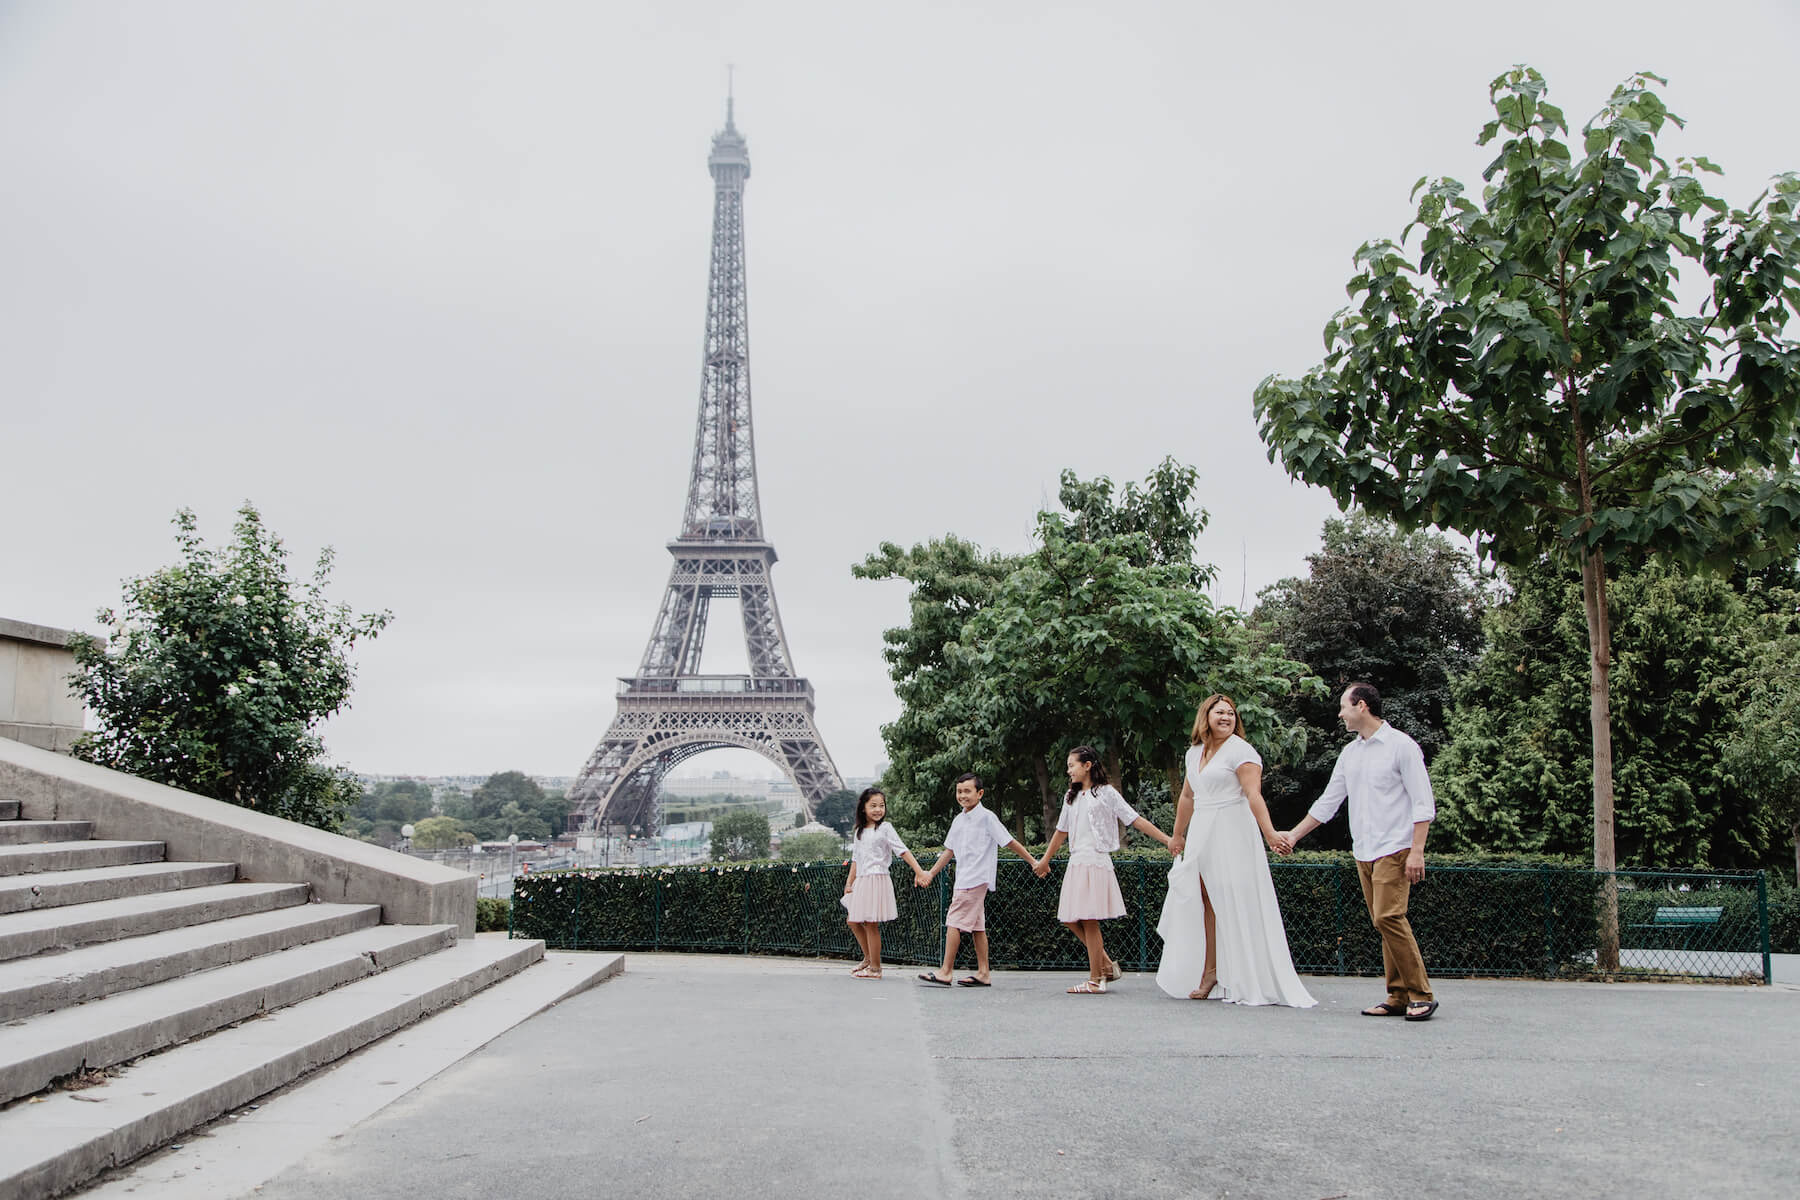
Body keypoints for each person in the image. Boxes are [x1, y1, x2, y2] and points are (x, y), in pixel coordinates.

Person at [1283, 682, 1439, 1021]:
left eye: (1344, 707)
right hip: (1364, 851)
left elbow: (1423, 803)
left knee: (1388, 917)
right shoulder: (1350, 754)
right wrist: (1293, 835)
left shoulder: (1402, 746)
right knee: (1383, 923)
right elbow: (1329, 802)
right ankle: (1397, 995)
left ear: (1362, 706)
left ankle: (1421, 994)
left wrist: (1417, 851)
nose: (1340, 714)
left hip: (1395, 847)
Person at [1156, 694, 1315, 1008]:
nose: (1226, 717)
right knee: (1204, 897)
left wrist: (1270, 833)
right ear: (1206, 717)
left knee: (1234, 895)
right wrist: (1177, 834)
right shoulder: (1194, 753)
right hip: (1202, 829)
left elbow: (1253, 795)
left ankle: (1247, 973)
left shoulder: (1242, 751)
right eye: (1220, 712)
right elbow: (1187, 797)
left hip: (1232, 828)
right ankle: (1211, 971)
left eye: (1230, 713)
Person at [1034, 745, 1174, 994]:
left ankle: (1096, 979)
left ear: (1087, 765)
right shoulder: (1071, 796)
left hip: (1096, 860)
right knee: (1069, 918)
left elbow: (1134, 819)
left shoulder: (1107, 793)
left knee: (1089, 920)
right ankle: (1106, 966)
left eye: (1072, 765)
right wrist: (1045, 860)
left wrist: (1167, 840)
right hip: (1077, 862)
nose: (1069, 771)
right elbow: (1061, 831)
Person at [918, 773, 1038, 988]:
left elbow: (1009, 841)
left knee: (953, 921)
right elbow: (949, 851)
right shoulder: (959, 819)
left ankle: (946, 971)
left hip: (974, 879)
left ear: (980, 793)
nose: (962, 795)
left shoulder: (987, 818)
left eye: (967, 791)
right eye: (959, 791)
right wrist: (931, 873)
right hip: (965, 878)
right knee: (977, 927)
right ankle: (983, 973)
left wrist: (1033, 861)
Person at [842, 787, 928, 979]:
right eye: (873, 805)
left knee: (871, 924)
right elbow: (856, 859)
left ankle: (875, 968)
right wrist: (849, 883)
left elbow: (902, 850)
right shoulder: (859, 832)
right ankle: (868, 958)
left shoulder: (885, 828)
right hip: (862, 880)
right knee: (852, 920)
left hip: (877, 878)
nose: (878, 809)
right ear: (863, 808)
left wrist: (919, 871)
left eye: (881, 805)